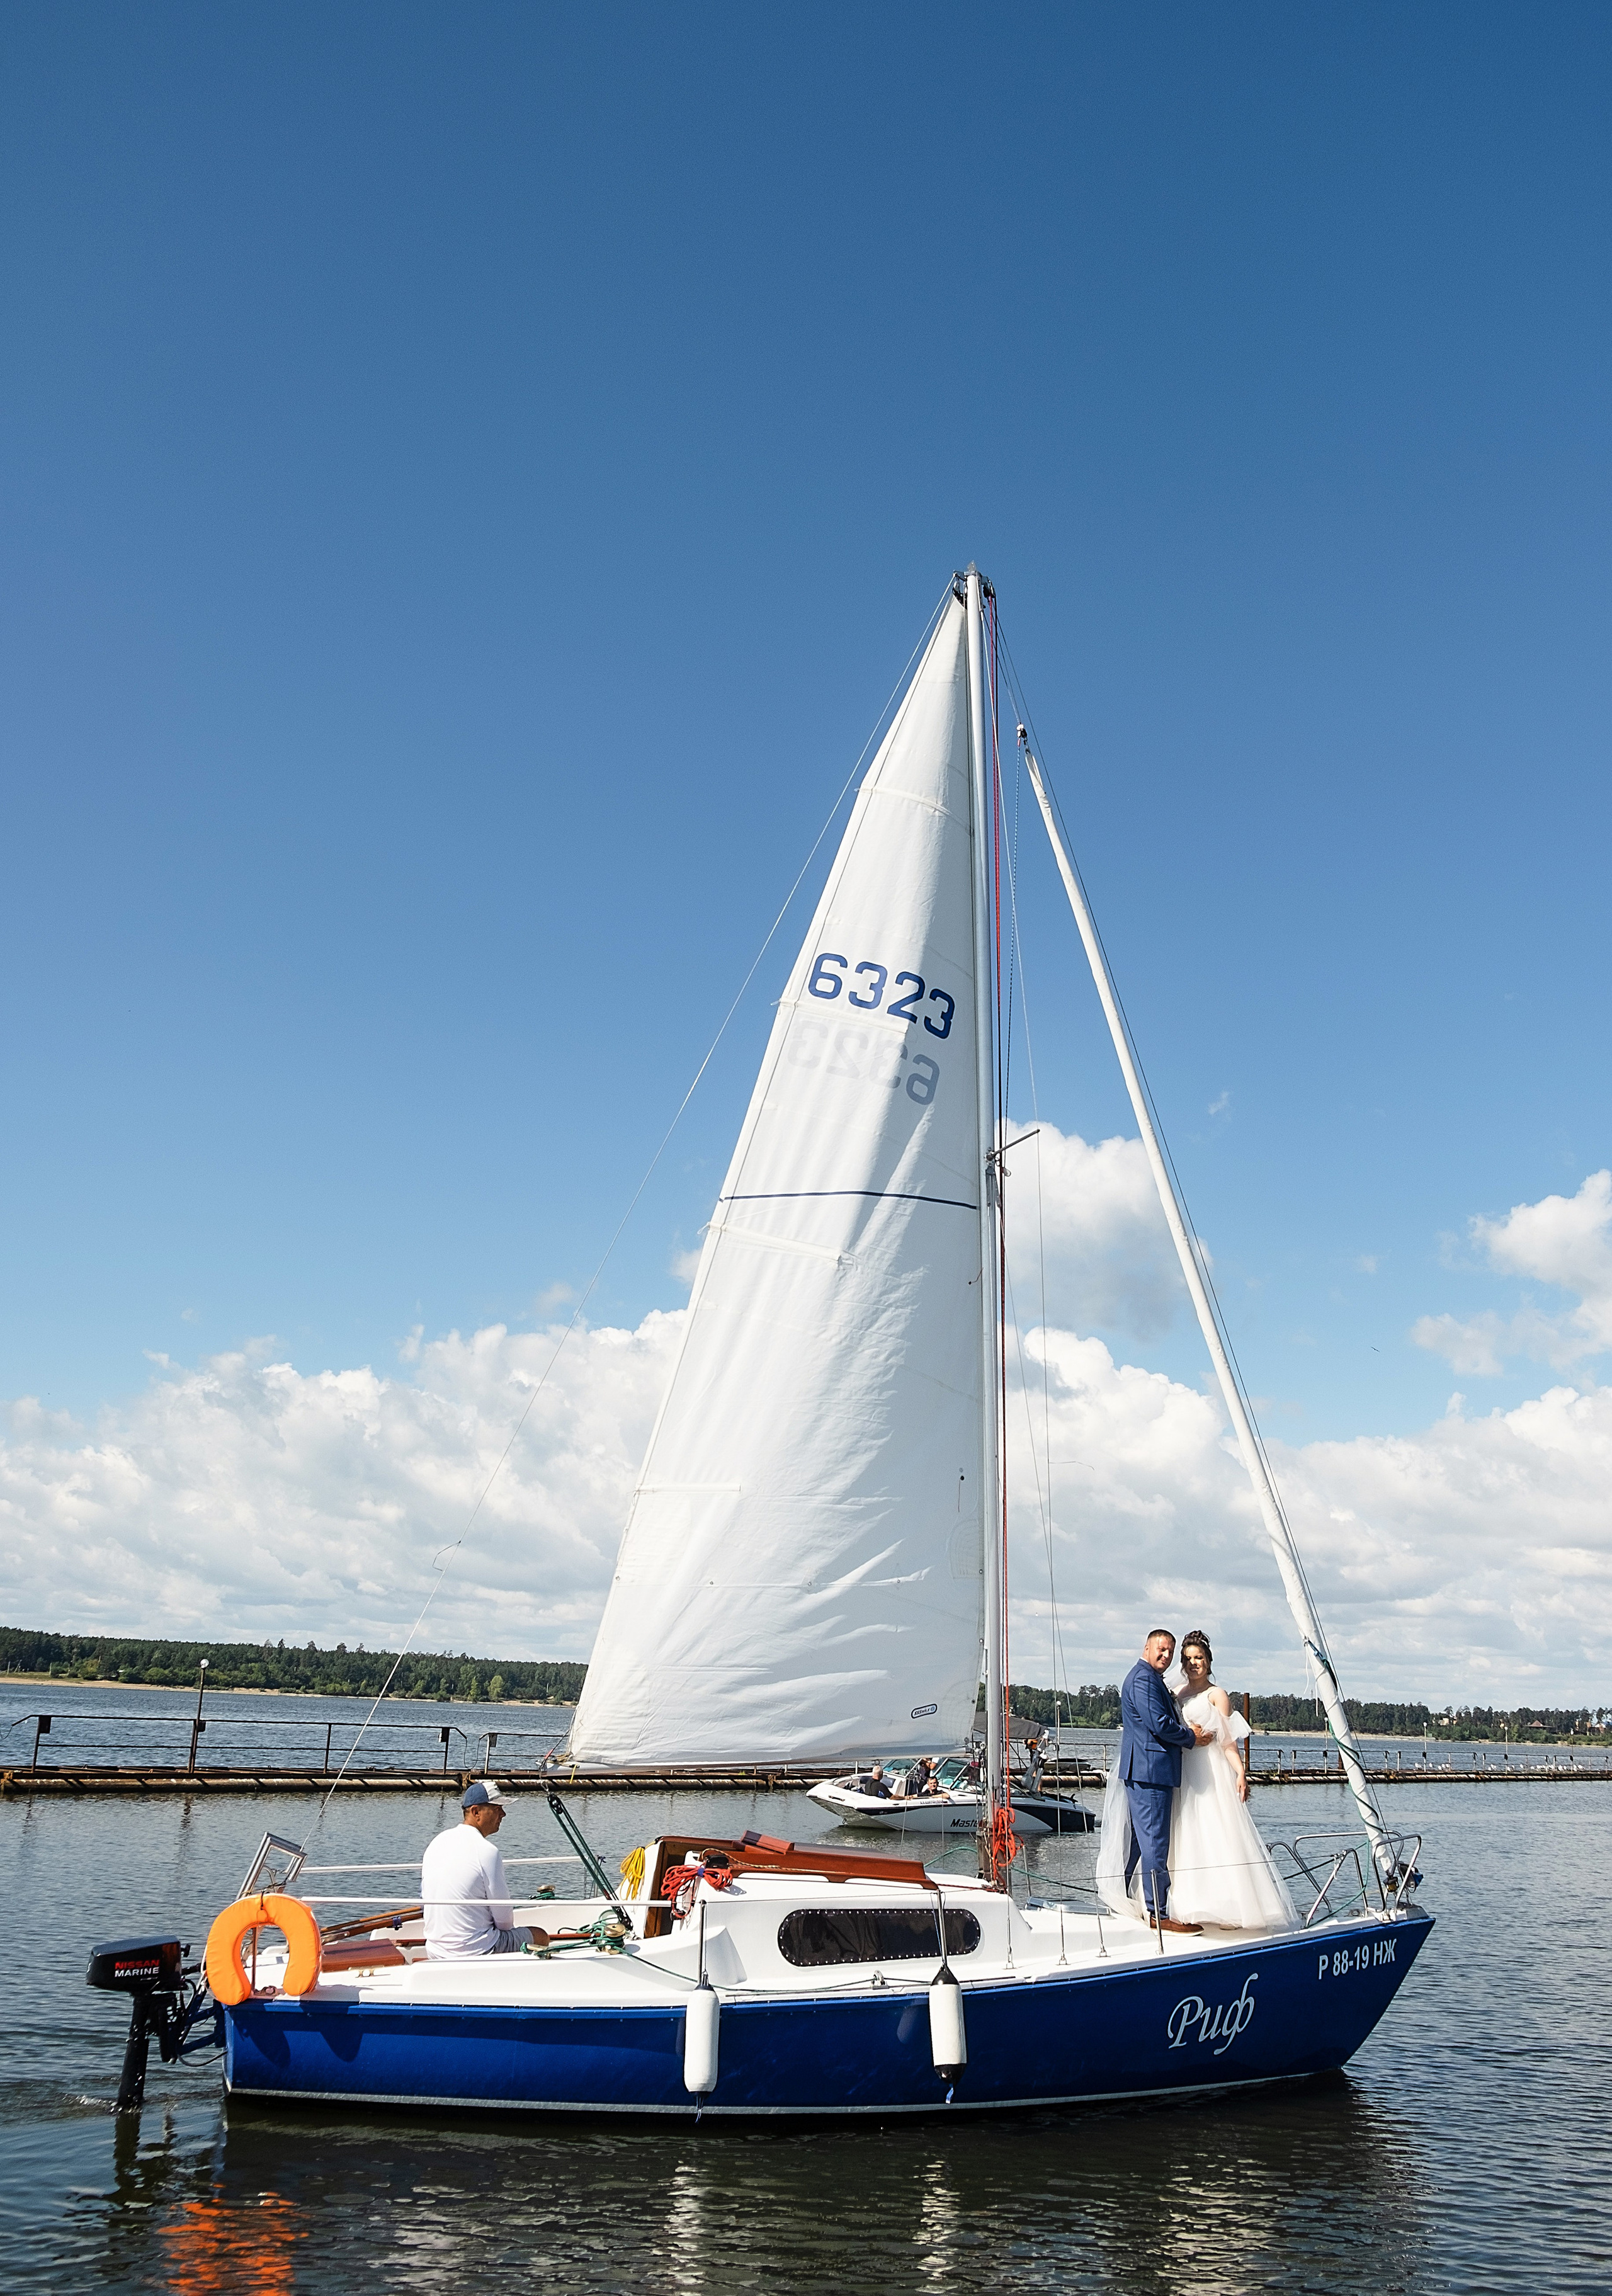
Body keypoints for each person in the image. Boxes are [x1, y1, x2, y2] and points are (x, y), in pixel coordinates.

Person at [1169, 1632, 1298, 1930]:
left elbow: (1227, 1742)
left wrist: (1240, 1772)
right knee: (1185, 1833)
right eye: (1188, 1659)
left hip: (1209, 1770)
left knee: (1215, 1832)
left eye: (1198, 1658)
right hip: (1184, 1770)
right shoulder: (1176, 1693)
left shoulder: (1218, 1694)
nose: (1193, 1664)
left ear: (1209, 1661)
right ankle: (1187, 1905)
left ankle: (1230, 1907)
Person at [1098, 1629, 1213, 1932]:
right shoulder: (1143, 1679)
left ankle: (1120, 1900)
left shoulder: (1149, 1678)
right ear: (1147, 1647)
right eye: (1161, 1650)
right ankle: (1158, 1915)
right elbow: (1159, 1724)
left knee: (1138, 1843)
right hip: (1150, 1773)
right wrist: (1192, 1737)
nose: (1166, 1656)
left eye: (1170, 1652)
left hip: (1146, 1771)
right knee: (1154, 1844)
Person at [421, 1782, 548, 1959]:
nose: (503, 1814)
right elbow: (505, 1922)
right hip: (477, 1950)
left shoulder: (437, 1843)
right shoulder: (487, 1851)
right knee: (540, 1936)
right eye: (497, 1808)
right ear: (476, 1812)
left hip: (435, 1950)